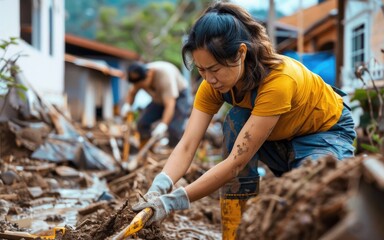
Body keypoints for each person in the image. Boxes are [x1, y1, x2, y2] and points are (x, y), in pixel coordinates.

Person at [131, 2, 356, 239]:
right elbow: (187, 144)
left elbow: (236, 163)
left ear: (241, 52)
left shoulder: (279, 80)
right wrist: (159, 187)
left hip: (323, 132)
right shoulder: (212, 84)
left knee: (312, 200)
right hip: (279, 135)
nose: (209, 78)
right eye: (201, 70)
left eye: (214, 69)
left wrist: (172, 202)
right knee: (236, 119)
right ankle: (234, 231)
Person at [121, 61, 191, 148]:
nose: (140, 86)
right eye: (137, 85)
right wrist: (127, 105)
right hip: (159, 98)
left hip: (178, 96)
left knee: (174, 129)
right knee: (142, 124)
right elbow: (132, 93)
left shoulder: (164, 75)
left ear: (149, 74)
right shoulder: (139, 77)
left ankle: (173, 151)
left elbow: (169, 105)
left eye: (142, 84)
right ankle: (146, 151)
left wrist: (163, 124)